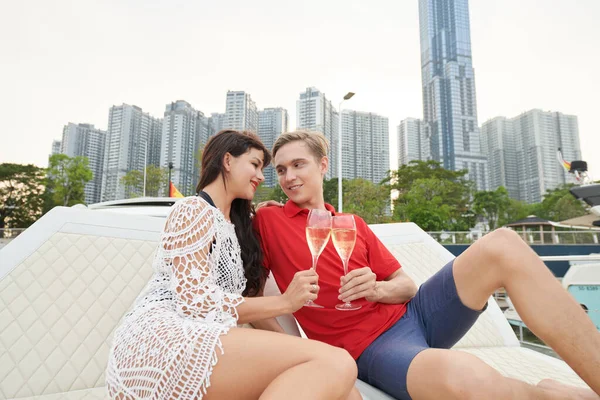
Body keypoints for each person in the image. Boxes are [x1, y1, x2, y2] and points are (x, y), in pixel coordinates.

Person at [254, 130, 600, 400]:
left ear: (322, 165)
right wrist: (298, 349)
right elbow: (251, 293)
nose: (288, 177)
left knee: (503, 244)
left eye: (299, 164)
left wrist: (377, 288)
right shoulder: (269, 221)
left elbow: (406, 285)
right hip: (372, 347)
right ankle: (558, 394)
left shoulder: (352, 223)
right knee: (466, 378)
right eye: (281, 170)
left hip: (417, 314)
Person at [106, 130, 362, 400]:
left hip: (211, 337)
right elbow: (196, 302)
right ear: (227, 161)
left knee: (346, 390)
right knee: (339, 362)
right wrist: (287, 303)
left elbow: (245, 298)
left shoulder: (239, 227)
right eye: (254, 164)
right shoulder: (192, 210)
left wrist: (296, 346)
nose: (262, 176)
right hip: (162, 340)